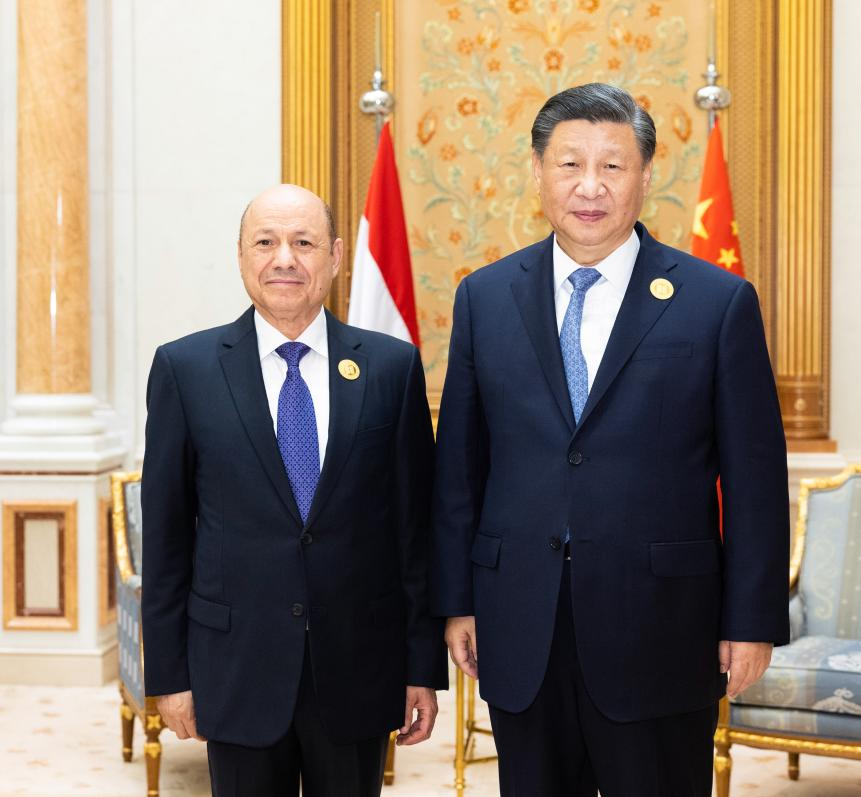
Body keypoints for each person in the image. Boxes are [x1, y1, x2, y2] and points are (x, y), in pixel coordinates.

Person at [430, 83, 790, 796]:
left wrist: (752, 622)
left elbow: (755, 479)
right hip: (521, 620)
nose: (589, 186)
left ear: (646, 175)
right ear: (538, 171)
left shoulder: (717, 302)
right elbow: (460, 470)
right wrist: (457, 601)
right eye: (570, 164)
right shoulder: (485, 298)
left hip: (662, 627)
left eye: (612, 165)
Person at [141, 184, 446, 797]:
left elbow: (415, 534)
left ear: (336, 256)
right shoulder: (185, 369)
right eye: (266, 242)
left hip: (358, 666)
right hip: (236, 668)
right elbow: (167, 537)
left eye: (304, 243)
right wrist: (170, 676)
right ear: (240, 255)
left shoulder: (392, 367)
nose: (284, 259)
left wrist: (421, 667)